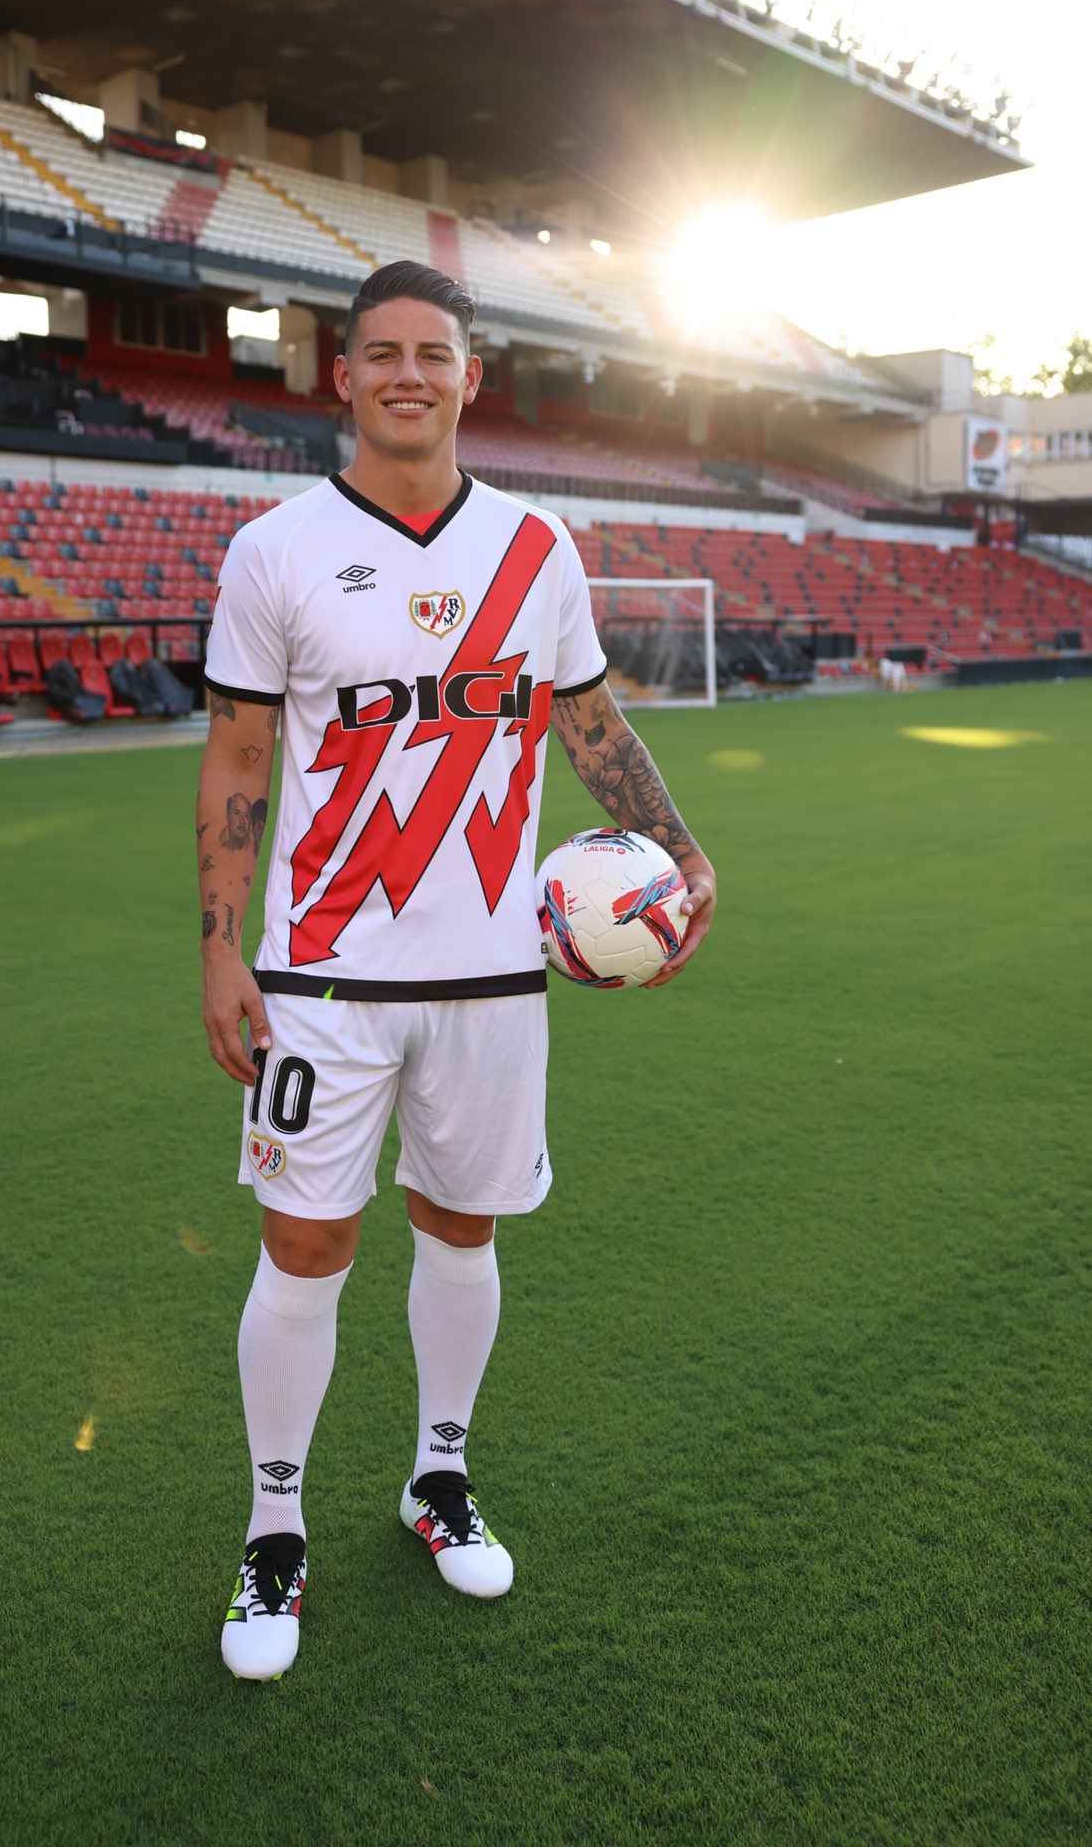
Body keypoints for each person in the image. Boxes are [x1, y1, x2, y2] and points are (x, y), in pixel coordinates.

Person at [199, 260, 716, 1681]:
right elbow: (241, 758)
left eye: (435, 351)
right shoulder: (277, 550)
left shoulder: (536, 550)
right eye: (382, 354)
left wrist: (676, 851)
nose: (408, 373)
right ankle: (274, 1533)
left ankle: (436, 1480)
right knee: (303, 1248)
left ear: (469, 376)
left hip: (494, 976)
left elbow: (587, 722)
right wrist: (220, 950)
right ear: (342, 377)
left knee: (461, 1230)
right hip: (320, 976)